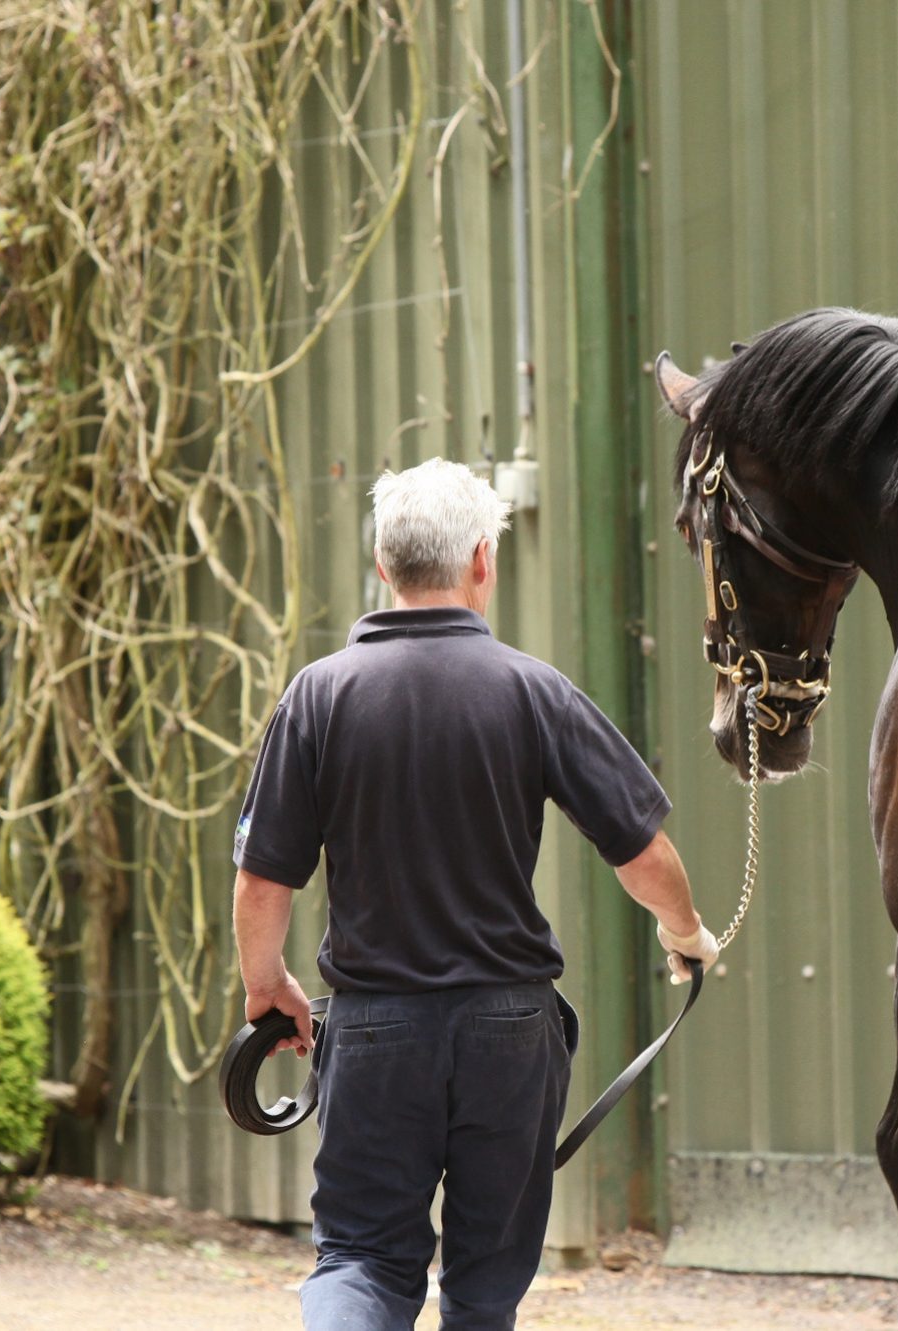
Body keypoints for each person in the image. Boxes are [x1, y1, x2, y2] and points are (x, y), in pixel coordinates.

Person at [230, 457, 719, 1331]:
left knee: (362, 1261)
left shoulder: (319, 695)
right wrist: (685, 931)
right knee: (486, 1289)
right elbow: (642, 851)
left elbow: (264, 873)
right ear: (483, 561)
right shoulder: (534, 691)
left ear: (384, 565)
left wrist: (266, 983)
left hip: (377, 1026)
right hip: (509, 1033)